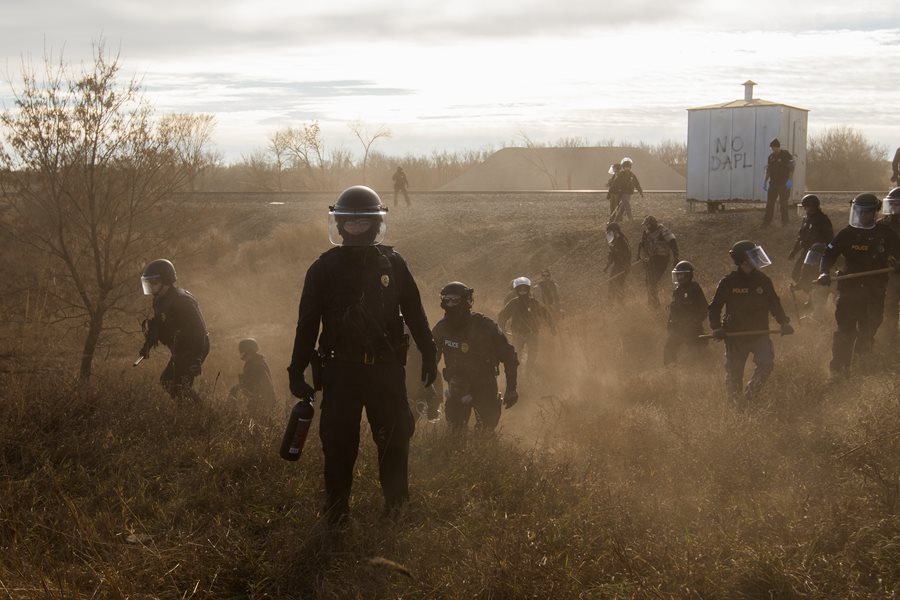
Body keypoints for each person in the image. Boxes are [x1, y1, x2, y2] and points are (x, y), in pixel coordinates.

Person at [287, 185, 437, 524]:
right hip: (341, 371)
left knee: (395, 441)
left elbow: (415, 312)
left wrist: (429, 352)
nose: (356, 228)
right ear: (340, 225)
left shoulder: (394, 264)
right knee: (338, 444)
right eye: (350, 222)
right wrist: (295, 370)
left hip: (386, 371)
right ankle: (336, 513)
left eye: (363, 222)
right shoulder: (322, 269)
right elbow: (307, 324)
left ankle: (396, 510)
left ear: (376, 223)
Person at [816, 193, 900, 376]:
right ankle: (839, 369)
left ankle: (862, 365)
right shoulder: (847, 234)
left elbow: (897, 253)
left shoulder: (886, 234)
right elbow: (828, 255)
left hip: (875, 292)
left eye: (866, 212)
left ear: (875, 212)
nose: (862, 215)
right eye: (859, 211)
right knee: (845, 330)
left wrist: (897, 264)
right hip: (849, 290)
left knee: (869, 329)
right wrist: (824, 272)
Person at [708, 241, 793, 402]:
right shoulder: (728, 282)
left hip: (759, 333)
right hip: (735, 336)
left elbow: (774, 304)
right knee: (734, 374)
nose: (757, 257)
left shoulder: (763, 280)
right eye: (753, 255)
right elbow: (715, 307)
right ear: (743, 260)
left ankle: (750, 396)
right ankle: (736, 406)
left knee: (766, 364)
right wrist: (716, 327)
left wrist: (784, 322)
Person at [432, 282, 519, 432]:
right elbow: (429, 361)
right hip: (457, 386)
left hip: (484, 385)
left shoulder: (486, 326)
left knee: (486, 431)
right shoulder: (441, 328)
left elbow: (509, 356)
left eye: (455, 300)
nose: (450, 304)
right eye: (447, 300)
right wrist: (429, 391)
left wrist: (511, 389)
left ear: (466, 301)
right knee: (455, 432)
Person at [139, 259, 210, 403]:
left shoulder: (182, 300)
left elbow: (199, 330)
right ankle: (193, 412)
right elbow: (158, 325)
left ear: (166, 280)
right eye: (148, 282)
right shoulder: (158, 300)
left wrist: (196, 358)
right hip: (180, 347)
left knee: (178, 385)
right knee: (168, 382)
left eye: (154, 282)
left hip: (195, 346)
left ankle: (203, 414)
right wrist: (147, 345)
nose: (150, 286)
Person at [498, 277, 555, 376]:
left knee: (533, 353)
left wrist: (552, 326)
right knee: (516, 354)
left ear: (528, 290)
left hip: (532, 333)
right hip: (517, 333)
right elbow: (502, 316)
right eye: (520, 289)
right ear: (517, 290)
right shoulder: (513, 303)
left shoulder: (534, 303)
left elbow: (545, 314)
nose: (522, 291)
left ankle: (528, 371)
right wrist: (501, 328)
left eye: (524, 289)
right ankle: (518, 373)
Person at [788, 194, 834, 308]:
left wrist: (828, 254)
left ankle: (812, 300)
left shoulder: (823, 220)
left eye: (807, 207)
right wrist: (794, 252)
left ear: (814, 206)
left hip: (818, 252)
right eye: (805, 207)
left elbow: (830, 238)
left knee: (812, 275)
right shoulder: (806, 219)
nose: (806, 209)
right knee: (796, 273)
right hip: (806, 251)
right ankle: (810, 294)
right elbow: (801, 238)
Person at [663, 261, 709, 366]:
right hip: (678, 328)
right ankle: (671, 370)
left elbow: (704, 309)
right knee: (669, 348)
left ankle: (705, 370)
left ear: (688, 275)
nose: (678, 277)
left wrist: (694, 323)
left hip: (693, 328)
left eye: (681, 274)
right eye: (677, 274)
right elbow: (674, 310)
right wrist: (670, 324)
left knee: (699, 353)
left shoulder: (694, 288)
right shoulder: (677, 291)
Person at [228, 338, 278, 420]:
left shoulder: (255, 365)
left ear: (249, 352)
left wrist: (236, 389)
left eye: (244, 353)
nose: (243, 356)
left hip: (261, 402)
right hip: (263, 400)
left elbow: (250, 385)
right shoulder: (258, 362)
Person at [637, 215, 679, 308]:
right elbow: (642, 245)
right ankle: (652, 303)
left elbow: (673, 242)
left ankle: (655, 305)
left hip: (662, 259)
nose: (647, 227)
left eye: (648, 225)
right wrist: (641, 256)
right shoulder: (647, 233)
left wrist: (676, 256)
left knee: (652, 281)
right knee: (648, 281)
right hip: (652, 259)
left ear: (652, 224)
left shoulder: (663, 231)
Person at [879, 188, 900, 341]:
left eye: (896, 204)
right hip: (890, 273)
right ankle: (890, 337)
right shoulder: (881, 225)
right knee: (889, 304)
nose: (892, 207)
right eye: (891, 204)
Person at [762, 138, 795, 227]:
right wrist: (765, 181)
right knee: (770, 203)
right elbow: (768, 170)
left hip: (783, 183)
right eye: (772, 149)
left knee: (783, 203)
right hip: (773, 183)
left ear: (778, 147)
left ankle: (785, 222)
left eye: (774, 148)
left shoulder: (786, 155)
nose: (773, 150)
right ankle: (766, 222)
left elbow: (791, 168)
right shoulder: (771, 157)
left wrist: (790, 180)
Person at [604, 222, 632, 304]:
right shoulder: (614, 241)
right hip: (617, 265)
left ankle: (620, 302)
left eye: (610, 232)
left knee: (619, 283)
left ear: (616, 231)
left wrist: (627, 265)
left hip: (623, 266)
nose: (609, 235)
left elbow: (628, 254)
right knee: (612, 283)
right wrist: (607, 266)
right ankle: (610, 302)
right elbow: (612, 255)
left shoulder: (622, 241)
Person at [615, 157, 644, 221]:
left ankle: (615, 221)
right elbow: (616, 183)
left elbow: (636, 184)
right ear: (623, 167)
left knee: (622, 208)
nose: (627, 168)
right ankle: (631, 220)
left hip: (629, 194)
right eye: (626, 167)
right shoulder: (621, 174)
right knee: (627, 206)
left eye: (628, 167)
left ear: (630, 167)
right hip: (623, 194)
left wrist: (640, 192)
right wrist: (618, 190)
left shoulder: (632, 175)